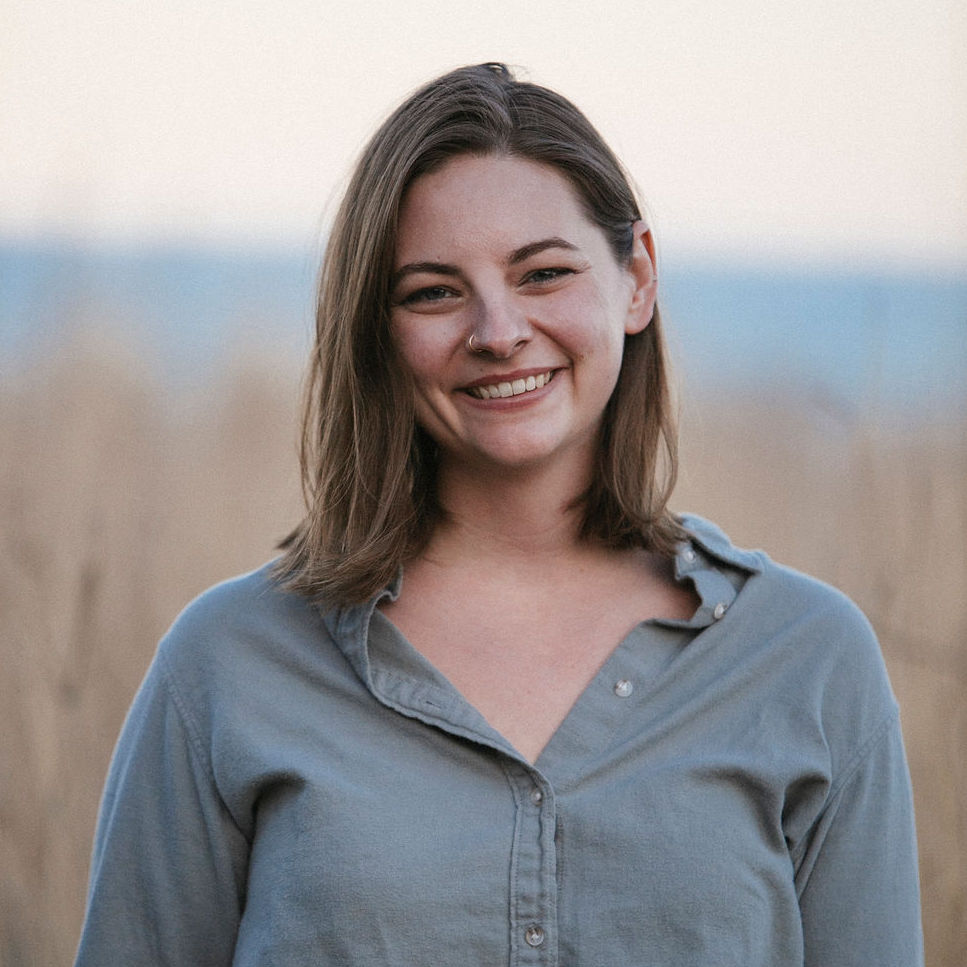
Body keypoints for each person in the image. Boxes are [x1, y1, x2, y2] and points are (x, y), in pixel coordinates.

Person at [75, 63, 923, 966]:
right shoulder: (229, 665)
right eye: (433, 290)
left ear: (636, 277)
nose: (496, 330)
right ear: (378, 328)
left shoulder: (807, 660)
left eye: (543, 273)